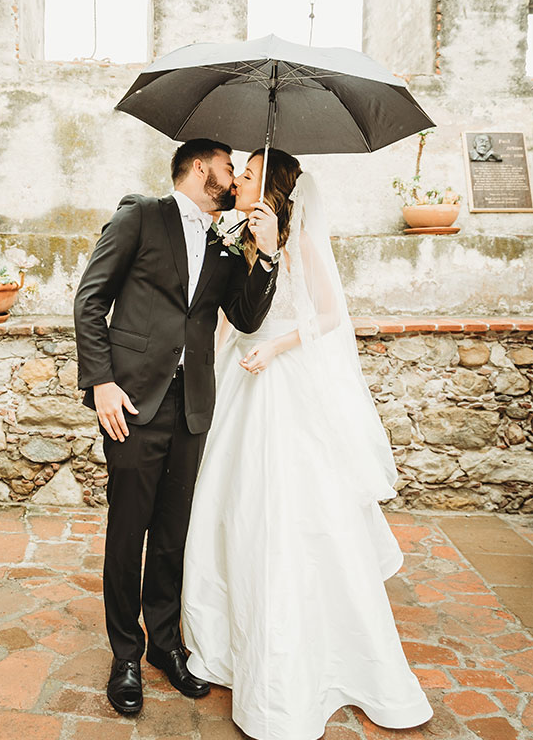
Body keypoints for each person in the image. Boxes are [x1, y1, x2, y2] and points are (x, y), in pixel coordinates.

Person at [182, 148, 434, 740]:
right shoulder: (236, 234)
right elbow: (233, 313)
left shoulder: (296, 242)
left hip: (285, 378)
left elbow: (329, 315)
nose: (235, 180)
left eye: (246, 174)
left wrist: (276, 347)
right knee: (234, 509)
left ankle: (321, 649)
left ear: (270, 186)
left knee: (292, 511)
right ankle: (229, 640)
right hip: (241, 375)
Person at [73, 138, 280, 716]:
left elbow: (244, 316)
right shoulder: (140, 216)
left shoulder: (227, 236)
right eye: (229, 166)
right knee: (129, 527)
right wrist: (102, 382)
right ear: (199, 166)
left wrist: (265, 255)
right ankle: (125, 656)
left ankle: (165, 644)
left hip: (192, 403)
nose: (237, 175)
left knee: (173, 531)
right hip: (131, 400)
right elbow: (90, 301)